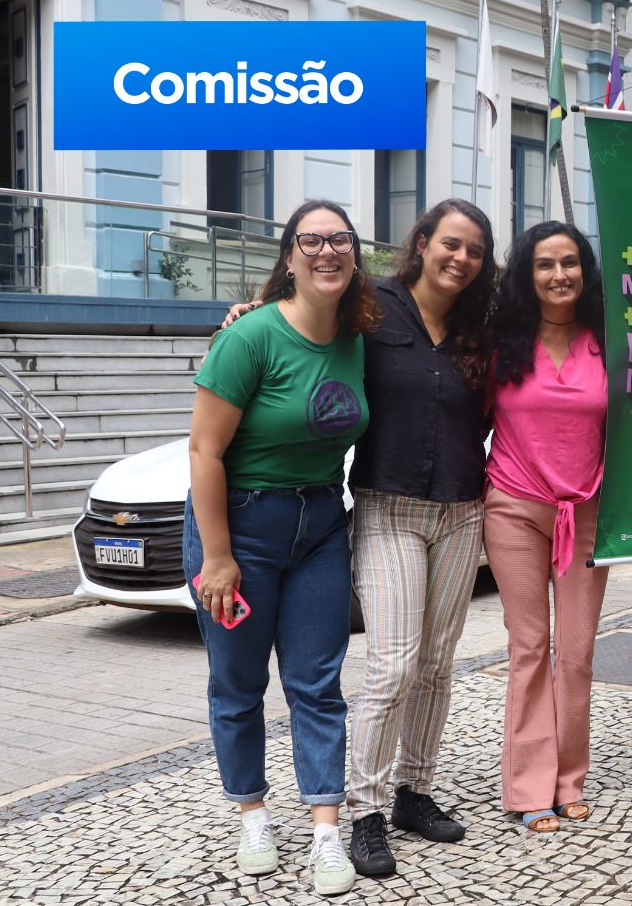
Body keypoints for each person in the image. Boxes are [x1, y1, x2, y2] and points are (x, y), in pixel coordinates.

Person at [184, 199, 379, 896]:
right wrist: (217, 556)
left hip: (321, 524)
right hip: (241, 528)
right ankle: (252, 814)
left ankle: (326, 831)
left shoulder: (361, 333)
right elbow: (204, 450)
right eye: (312, 240)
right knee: (238, 683)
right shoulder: (251, 337)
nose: (327, 251)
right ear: (290, 255)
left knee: (317, 684)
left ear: (355, 254)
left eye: (340, 240)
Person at [342, 200, 497, 876]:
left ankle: (414, 791)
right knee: (394, 664)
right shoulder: (372, 306)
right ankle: (365, 810)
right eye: (451, 244)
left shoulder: (479, 330)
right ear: (424, 242)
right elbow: (297, 318)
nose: (461, 258)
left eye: (475, 251)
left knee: (438, 661)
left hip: (462, 509)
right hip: (389, 507)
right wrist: (241, 315)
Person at [484, 221, 609, 833]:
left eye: (569, 262)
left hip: (586, 511)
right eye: (544, 264)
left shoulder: (609, 339)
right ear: (526, 275)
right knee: (530, 647)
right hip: (513, 506)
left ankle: (569, 779)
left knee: (578, 651)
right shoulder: (501, 342)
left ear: (585, 270)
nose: (558, 274)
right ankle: (529, 785)